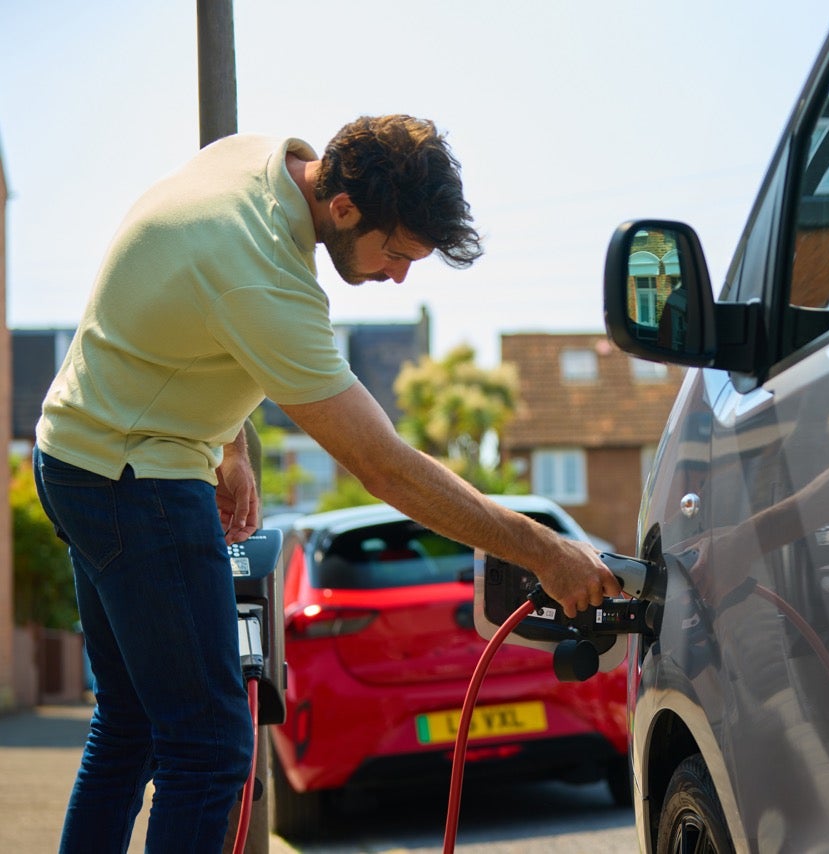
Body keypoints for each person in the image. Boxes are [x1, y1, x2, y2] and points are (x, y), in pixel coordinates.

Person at [32, 114, 621, 853]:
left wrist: (230, 444)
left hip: (73, 452)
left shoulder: (254, 160)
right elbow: (385, 468)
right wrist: (544, 549)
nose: (400, 276)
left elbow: (186, 308)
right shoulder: (264, 276)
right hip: (136, 483)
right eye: (397, 253)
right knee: (211, 752)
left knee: (129, 727)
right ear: (342, 208)